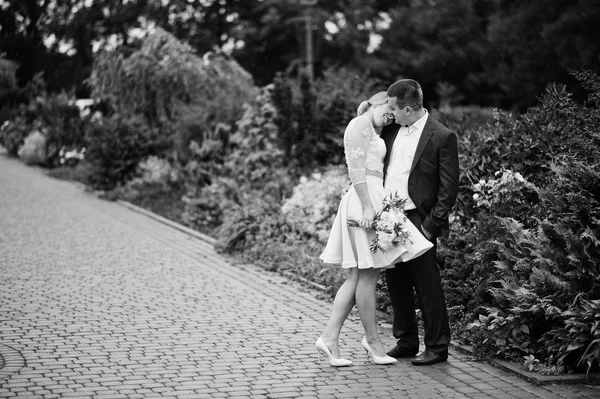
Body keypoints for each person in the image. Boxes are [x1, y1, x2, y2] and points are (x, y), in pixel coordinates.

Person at [317, 91, 433, 367]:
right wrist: (368, 207)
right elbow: (355, 169)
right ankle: (372, 341)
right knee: (367, 276)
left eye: (394, 113)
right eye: (388, 109)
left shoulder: (372, 129)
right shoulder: (359, 124)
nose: (391, 116)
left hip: (372, 197)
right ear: (376, 102)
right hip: (365, 199)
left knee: (358, 276)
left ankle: (330, 338)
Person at [381, 79, 460, 366]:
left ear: (410, 109)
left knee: (427, 286)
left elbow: (448, 189)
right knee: (396, 282)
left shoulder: (441, 136)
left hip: (419, 220)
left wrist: (429, 226)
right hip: (390, 217)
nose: (389, 113)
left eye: (394, 108)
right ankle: (406, 341)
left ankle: (437, 347)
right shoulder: (392, 130)